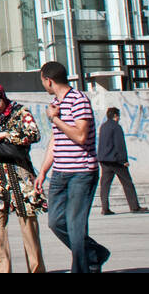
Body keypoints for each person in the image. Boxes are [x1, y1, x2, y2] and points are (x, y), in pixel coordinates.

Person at [37, 61, 109, 273]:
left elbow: (80, 135)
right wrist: (43, 171)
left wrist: (56, 119)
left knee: (76, 225)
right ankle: (95, 254)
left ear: (48, 80)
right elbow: (55, 141)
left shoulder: (79, 100)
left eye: (42, 80)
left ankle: (81, 269)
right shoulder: (55, 103)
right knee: (55, 222)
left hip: (81, 172)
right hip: (60, 172)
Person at [0, 80, 46, 274]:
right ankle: (1, 270)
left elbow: (33, 134)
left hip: (20, 175)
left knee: (28, 228)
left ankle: (36, 269)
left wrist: (5, 135)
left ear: (3, 97)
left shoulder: (20, 112)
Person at [97, 107, 145, 215]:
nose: (119, 118)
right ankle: (134, 207)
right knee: (127, 183)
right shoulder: (116, 127)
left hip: (104, 160)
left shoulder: (103, 126)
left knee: (105, 185)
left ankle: (105, 208)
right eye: (118, 116)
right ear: (115, 116)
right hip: (115, 161)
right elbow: (120, 145)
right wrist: (124, 160)